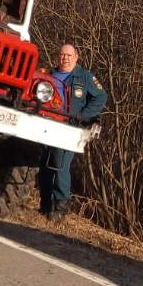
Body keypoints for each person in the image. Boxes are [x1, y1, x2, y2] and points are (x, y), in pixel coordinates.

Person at [39, 42, 106, 218]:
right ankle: (45, 204)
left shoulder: (84, 77)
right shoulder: (49, 75)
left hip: (71, 128)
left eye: (69, 55)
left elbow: (101, 97)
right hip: (48, 124)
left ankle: (61, 207)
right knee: (45, 164)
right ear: (57, 56)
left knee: (60, 165)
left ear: (76, 57)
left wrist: (84, 115)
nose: (65, 58)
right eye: (62, 55)